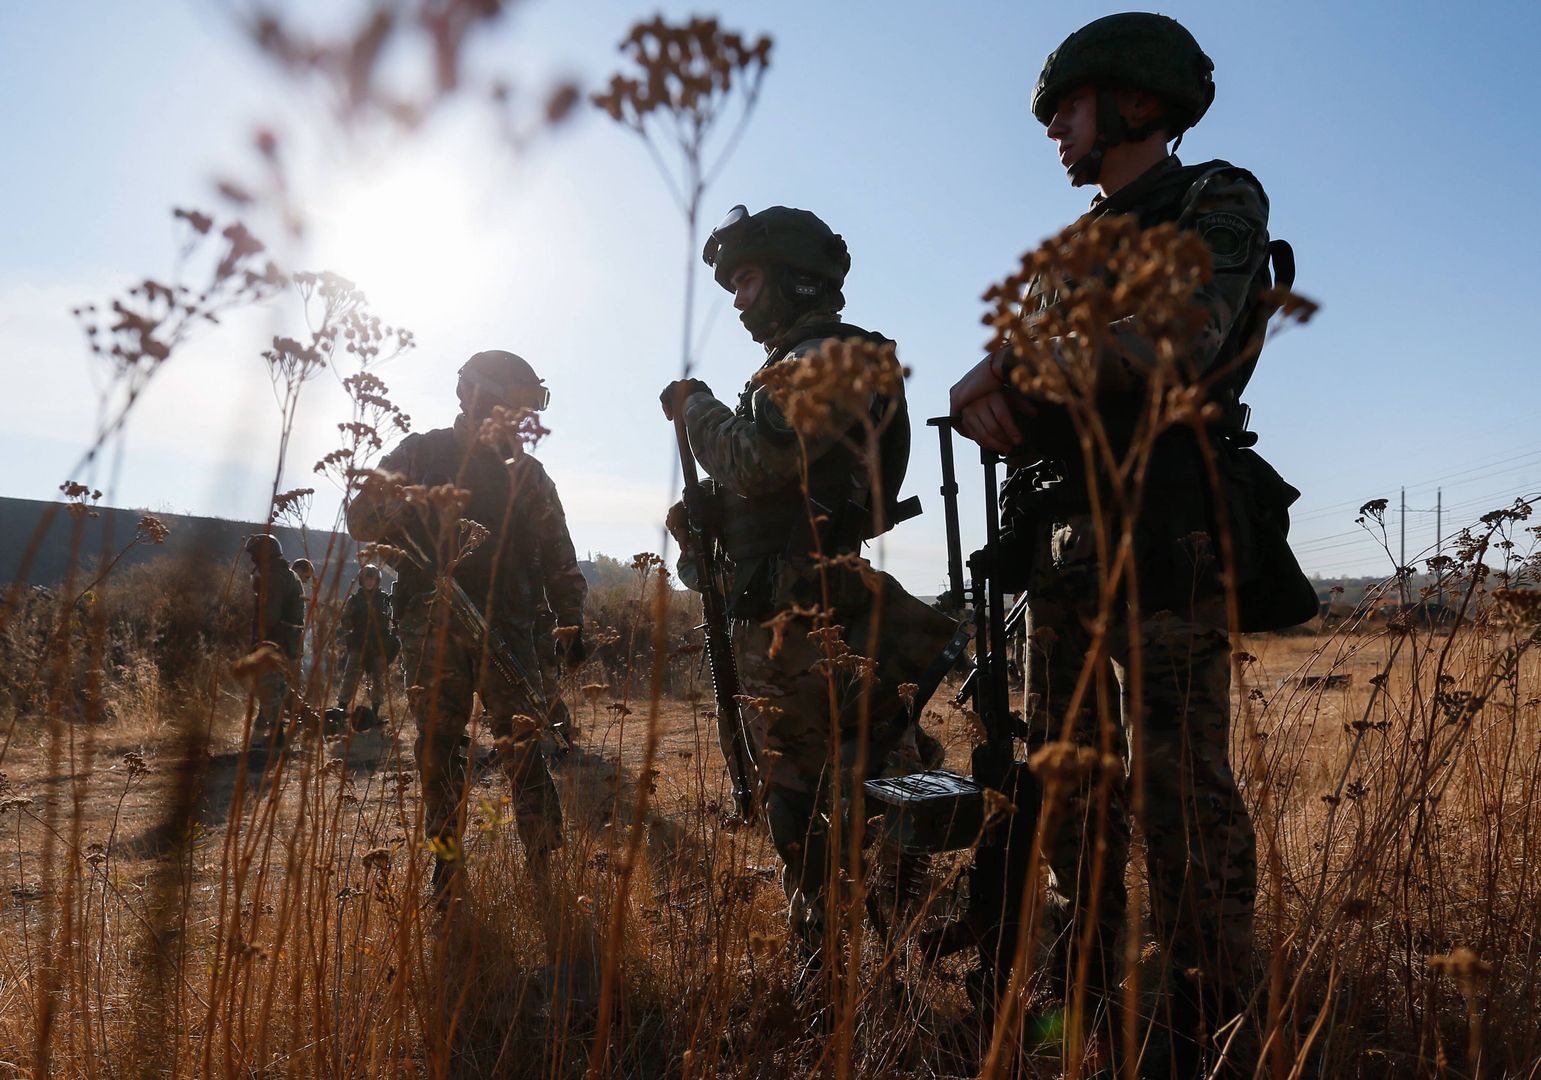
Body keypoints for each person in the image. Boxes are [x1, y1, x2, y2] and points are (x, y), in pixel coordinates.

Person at [948, 13, 1276, 1076]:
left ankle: (1207, 1031)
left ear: (1135, 102)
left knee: (1181, 805)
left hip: (1165, 530)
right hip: (1062, 552)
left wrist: (1011, 371)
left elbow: (1177, 336)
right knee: (1066, 793)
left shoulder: (1212, 198)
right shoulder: (1061, 260)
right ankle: (1080, 1005)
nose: (1050, 129)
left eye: (1065, 107)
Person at [662, 205, 956, 964]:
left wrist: (694, 408)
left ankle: (857, 964)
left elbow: (760, 458)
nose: (737, 300)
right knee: (814, 793)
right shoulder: (802, 363)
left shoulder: (833, 357)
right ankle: (855, 954)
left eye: (748, 279)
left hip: (811, 619)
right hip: (783, 611)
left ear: (796, 278)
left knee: (820, 796)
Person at [346, 350, 588, 904]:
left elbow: (559, 556)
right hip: (430, 632)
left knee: (524, 748)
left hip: (510, 629)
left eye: (532, 406)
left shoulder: (526, 474)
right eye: (518, 402)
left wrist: (571, 623)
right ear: (480, 397)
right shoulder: (422, 453)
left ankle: (545, 872)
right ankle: (448, 870)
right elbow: (361, 519)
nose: (524, 418)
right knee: (438, 753)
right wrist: (414, 507)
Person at [243, 533, 306, 745]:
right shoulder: (282, 574)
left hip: (277, 642)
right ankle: (296, 725)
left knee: (269, 686)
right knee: (281, 689)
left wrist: (259, 640)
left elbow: (269, 615)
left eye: (255, 556)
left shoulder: (275, 577)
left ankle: (277, 735)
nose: (253, 560)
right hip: (287, 642)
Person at [328, 563, 396, 732]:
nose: (369, 582)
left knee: (378, 680)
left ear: (377, 580)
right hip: (359, 643)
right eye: (366, 578)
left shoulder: (384, 599)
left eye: (372, 578)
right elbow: (345, 620)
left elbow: (393, 619)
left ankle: (374, 714)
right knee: (350, 677)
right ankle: (341, 711)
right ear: (362, 580)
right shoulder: (355, 599)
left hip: (379, 644)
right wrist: (353, 623)